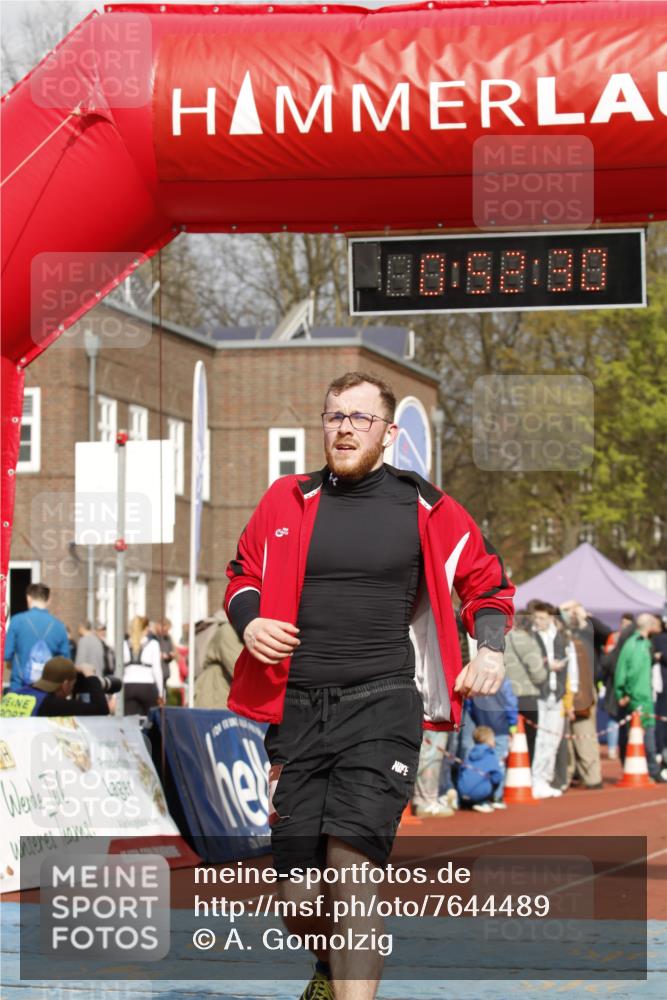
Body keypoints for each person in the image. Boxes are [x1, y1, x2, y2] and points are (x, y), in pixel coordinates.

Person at [224, 371, 514, 1000]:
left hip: (381, 704)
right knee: (298, 898)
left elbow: (487, 584)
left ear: (388, 433)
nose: (345, 427)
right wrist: (249, 623)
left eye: (360, 418)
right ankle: (328, 970)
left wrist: (489, 648)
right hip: (297, 712)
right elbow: (242, 575)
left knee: (353, 874)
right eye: (334, 417)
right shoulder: (285, 498)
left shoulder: (426, 506)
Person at [559, 602, 604, 789]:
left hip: (581, 693)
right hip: (572, 693)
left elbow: (605, 631)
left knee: (584, 735)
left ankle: (590, 776)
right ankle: (573, 774)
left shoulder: (585, 635)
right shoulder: (567, 639)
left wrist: (582, 613)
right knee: (570, 739)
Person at [615, 613, 663, 781]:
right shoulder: (636, 644)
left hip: (644, 695)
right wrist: (625, 692)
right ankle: (651, 771)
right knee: (644, 735)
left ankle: (648, 770)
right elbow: (630, 672)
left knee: (644, 734)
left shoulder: (644, 643)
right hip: (639, 697)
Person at [530, 602, 570, 798]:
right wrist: (547, 667)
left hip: (557, 694)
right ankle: (536, 779)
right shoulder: (531, 636)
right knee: (540, 738)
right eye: (536, 618)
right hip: (540, 694)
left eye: (543, 618)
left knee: (553, 738)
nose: (539, 622)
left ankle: (545, 779)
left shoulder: (560, 637)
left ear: (551, 618)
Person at [4, 583, 71, 690]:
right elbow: (66, 662)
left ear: (28, 598)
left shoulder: (17, 621)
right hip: (47, 692)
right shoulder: (59, 626)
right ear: (49, 600)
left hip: (20, 689)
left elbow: (7, 655)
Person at [465, 675, 518, 808]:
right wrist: (513, 723)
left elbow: (469, 704)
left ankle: (481, 796)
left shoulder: (475, 678)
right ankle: (496, 797)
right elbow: (510, 702)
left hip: (481, 726)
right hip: (500, 727)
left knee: (480, 763)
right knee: (498, 763)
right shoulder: (502, 680)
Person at [503, 612, 547, 763]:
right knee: (528, 742)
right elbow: (538, 674)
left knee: (507, 741)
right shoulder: (528, 641)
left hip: (503, 696)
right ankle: (524, 778)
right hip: (526, 697)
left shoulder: (502, 639)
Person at [0, 656, 110, 717]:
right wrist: (90, 675)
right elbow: (101, 709)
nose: (72, 689)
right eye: (72, 684)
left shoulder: (13, 695)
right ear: (65, 684)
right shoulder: (50, 704)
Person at [194, 610, 243, 710]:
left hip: (223, 689)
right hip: (215, 692)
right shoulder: (227, 630)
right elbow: (239, 668)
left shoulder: (234, 628)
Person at [456, 725, 504, 813]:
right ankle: (483, 802)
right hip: (478, 793)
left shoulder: (469, 754)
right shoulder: (491, 755)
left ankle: (465, 802)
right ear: (488, 741)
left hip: (462, 792)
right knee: (496, 776)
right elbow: (497, 777)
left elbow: (461, 772)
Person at [123, 615, 164, 716]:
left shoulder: (124, 644)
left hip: (128, 686)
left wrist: (115, 696)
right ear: (145, 629)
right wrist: (161, 693)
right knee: (151, 722)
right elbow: (157, 670)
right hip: (147, 686)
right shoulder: (153, 644)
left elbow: (119, 670)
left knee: (130, 722)